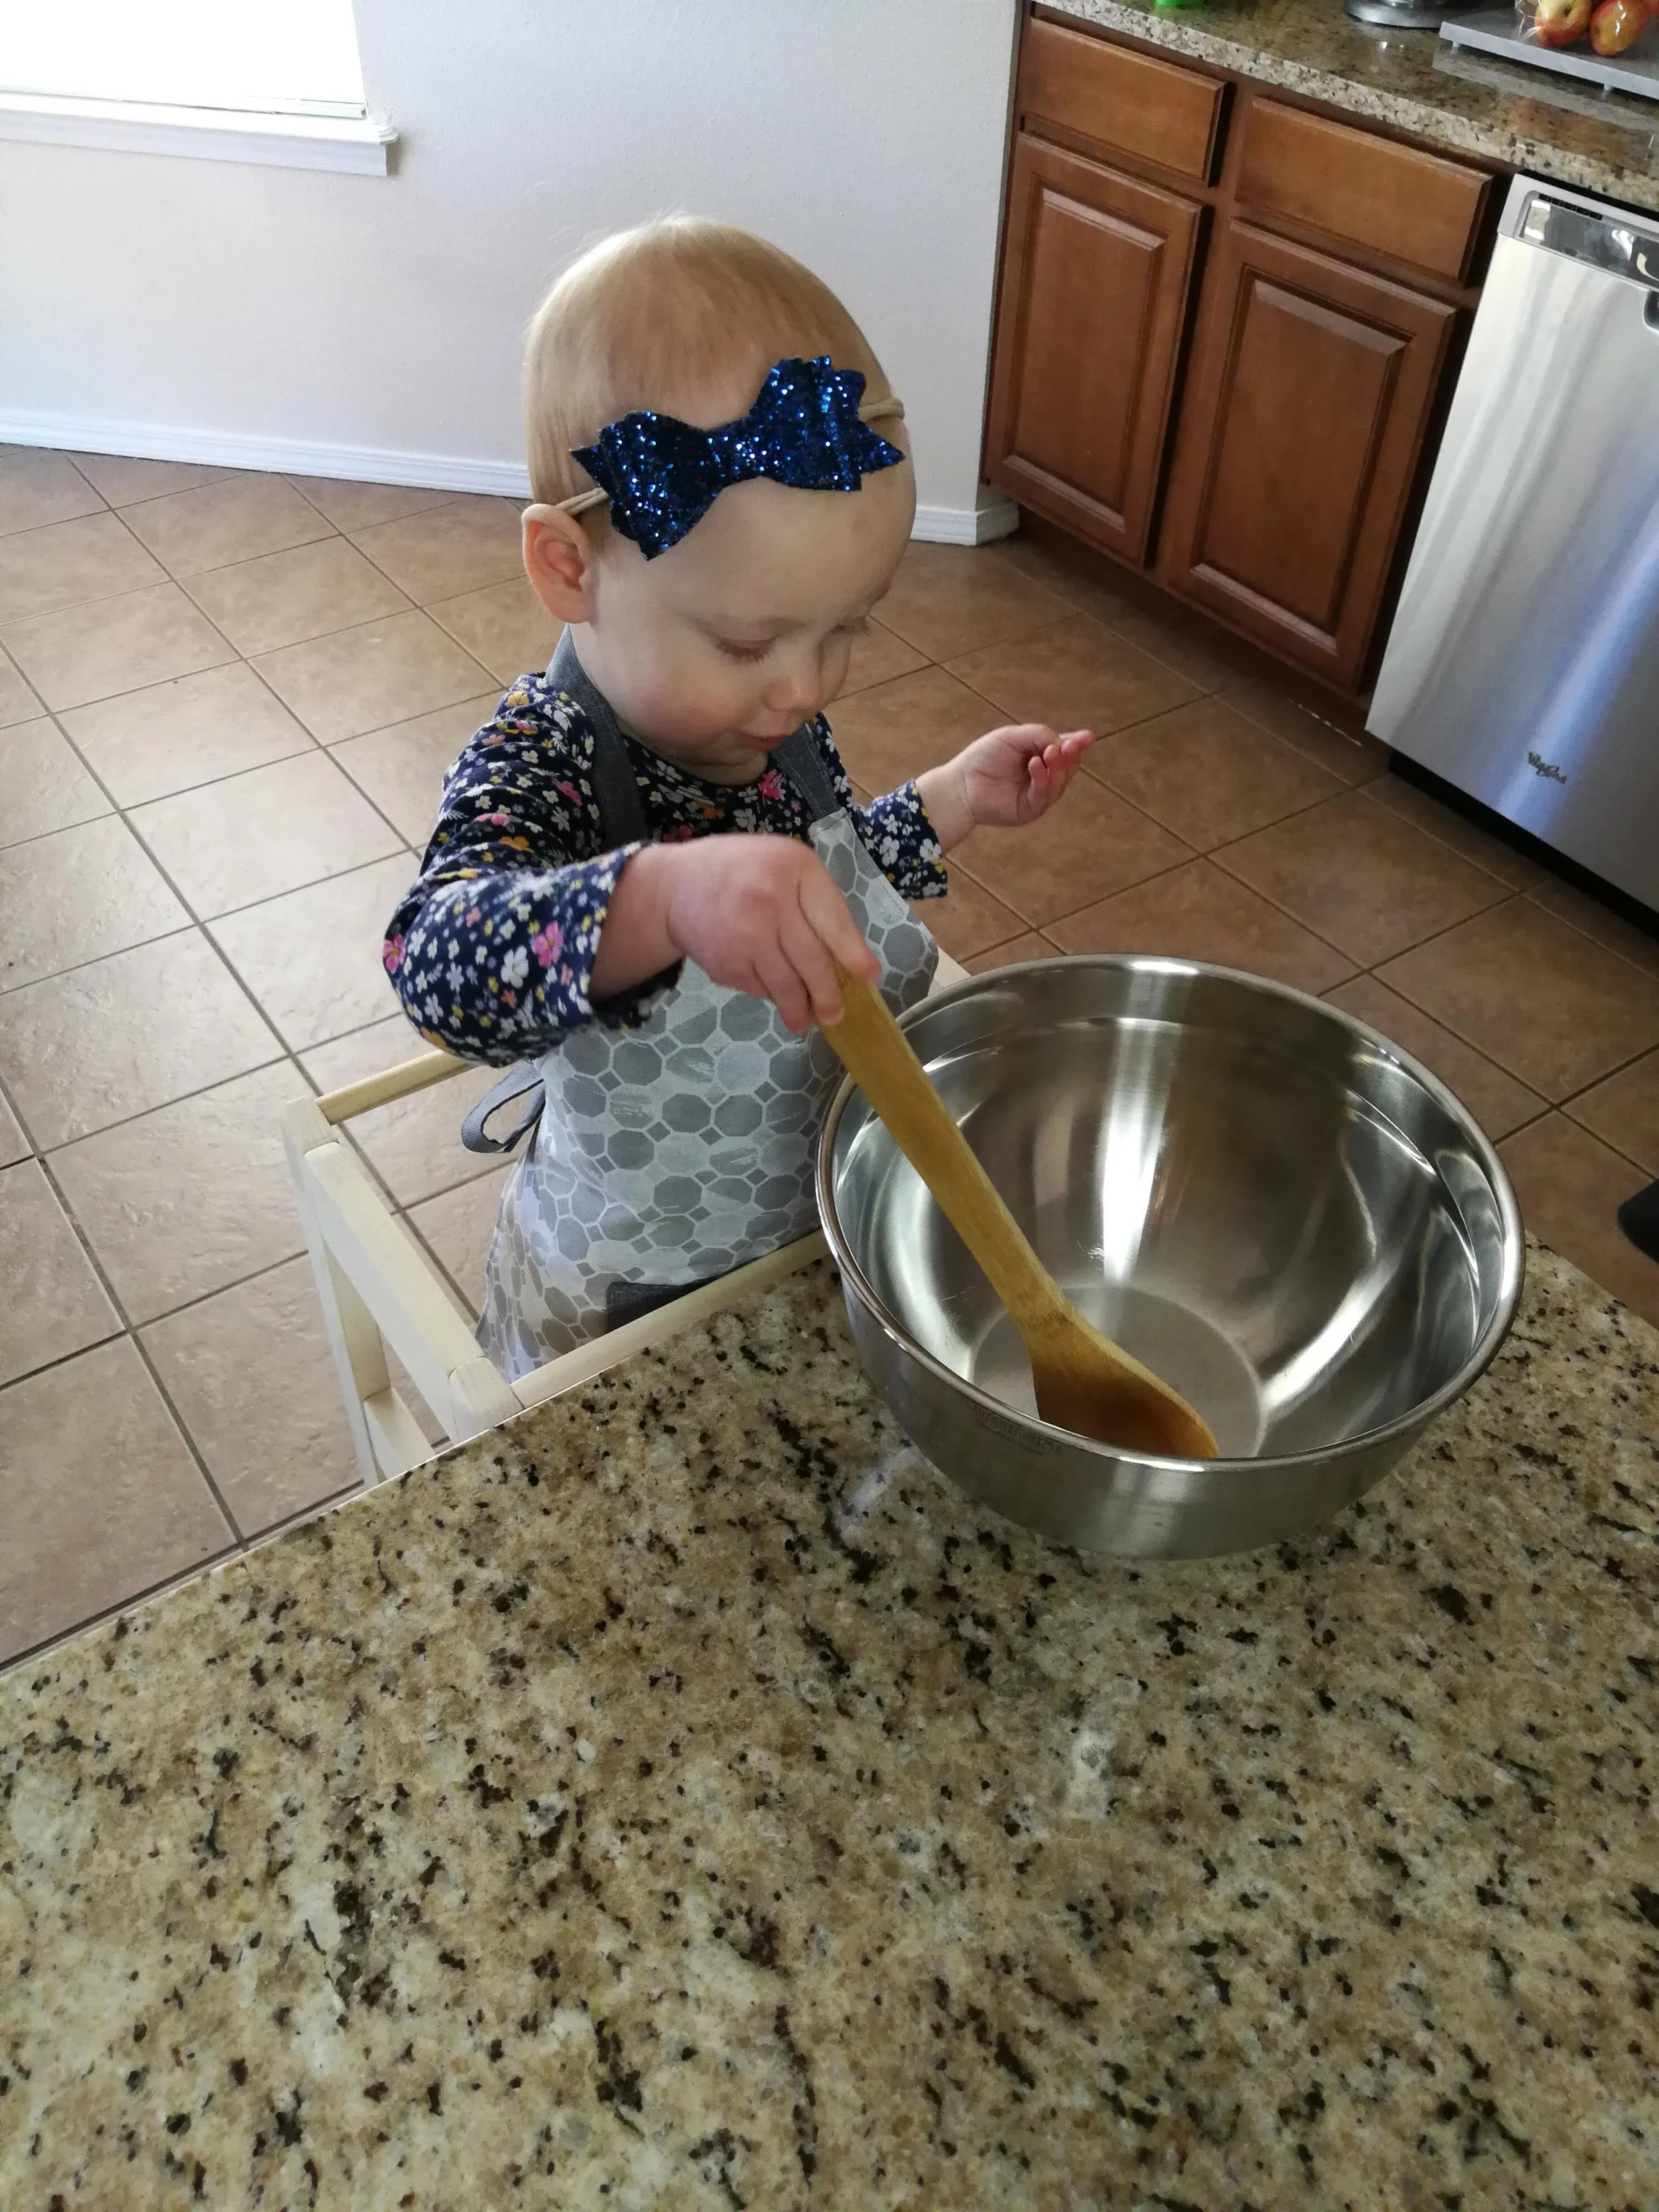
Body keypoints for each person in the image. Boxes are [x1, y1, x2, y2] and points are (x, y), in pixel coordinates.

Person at [384, 218, 1094, 1380]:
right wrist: (658, 896)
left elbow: (820, 884)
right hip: (624, 1301)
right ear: (571, 569)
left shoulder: (768, 721)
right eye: (750, 639)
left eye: (846, 629)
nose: (808, 686)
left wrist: (946, 803)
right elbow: (437, 967)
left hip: (802, 1233)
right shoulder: (545, 759)